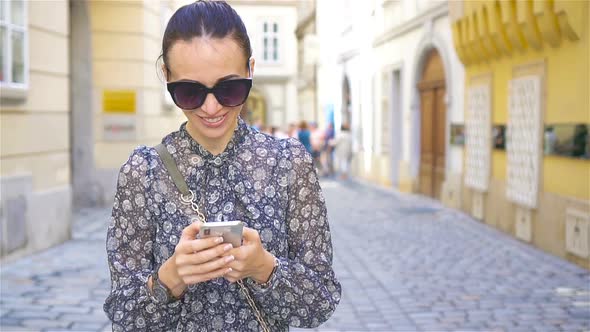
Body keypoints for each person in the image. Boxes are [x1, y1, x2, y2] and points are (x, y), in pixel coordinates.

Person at [103, 2, 341, 331]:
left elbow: (321, 301)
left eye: (229, 88)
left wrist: (265, 268)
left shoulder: (288, 162)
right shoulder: (143, 171)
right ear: (166, 77)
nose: (211, 107)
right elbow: (123, 314)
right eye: (189, 91)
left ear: (251, 70)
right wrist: (171, 277)